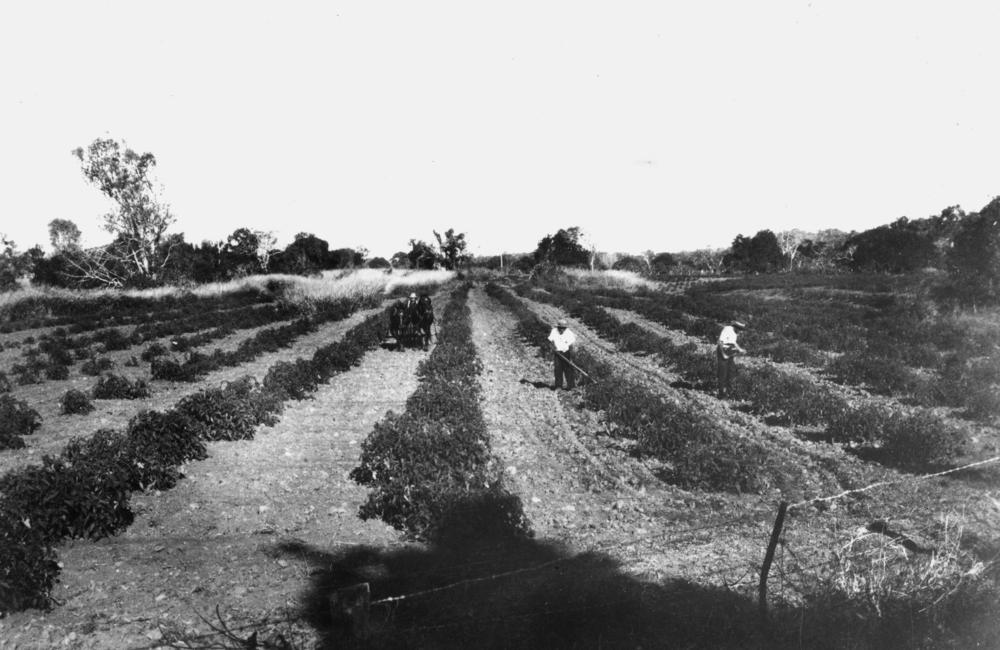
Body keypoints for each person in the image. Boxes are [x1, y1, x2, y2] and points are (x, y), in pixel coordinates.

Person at [716, 320, 746, 398]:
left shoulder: (736, 332)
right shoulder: (727, 329)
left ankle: (729, 392)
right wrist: (723, 354)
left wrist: (740, 349)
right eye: (739, 329)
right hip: (722, 351)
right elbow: (720, 342)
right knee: (722, 372)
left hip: (729, 351)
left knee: (731, 371)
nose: (740, 332)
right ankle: (721, 393)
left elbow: (733, 342)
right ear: (735, 327)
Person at [547, 318, 577, 390]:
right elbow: (550, 341)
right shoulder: (554, 331)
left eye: (563, 328)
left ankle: (571, 386)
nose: (562, 330)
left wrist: (572, 357)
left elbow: (571, 346)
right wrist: (552, 347)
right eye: (560, 328)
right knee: (558, 369)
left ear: (565, 328)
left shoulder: (569, 333)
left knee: (568, 370)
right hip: (557, 353)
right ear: (558, 327)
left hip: (566, 353)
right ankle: (558, 386)